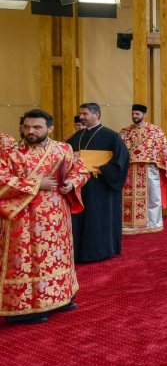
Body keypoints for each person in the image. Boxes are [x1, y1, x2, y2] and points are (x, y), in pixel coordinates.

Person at [0, 110, 89, 324]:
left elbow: (80, 170)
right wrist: (36, 184)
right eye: (27, 127)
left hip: (57, 217)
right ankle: (28, 308)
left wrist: (72, 183)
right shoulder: (10, 153)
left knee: (58, 257)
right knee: (27, 260)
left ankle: (61, 298)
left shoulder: (63, 149)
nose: (30, 131)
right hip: (23, 217)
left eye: (37, 127)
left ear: (50, 129)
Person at [68, 102, 130, 263]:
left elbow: (122, 159)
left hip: (101, 185)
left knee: (98, 218)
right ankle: (80, 251)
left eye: (85, 114)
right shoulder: (76, 136)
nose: (81, 117)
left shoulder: (111, 136)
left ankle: (100, 251)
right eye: (80, 114)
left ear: (97, 115)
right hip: (81, 184)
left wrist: (104, 169)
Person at [118, 104, 167, 234]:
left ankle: (153, 223)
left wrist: (160, 163)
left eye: (137, 114)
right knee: (128, 198)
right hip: (130, 170)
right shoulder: (125, 132)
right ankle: (130, 225)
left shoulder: (156, 131)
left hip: (150, 168)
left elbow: (164, 150)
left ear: (144, 115)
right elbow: (119, 151)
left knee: (153, 195)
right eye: (133, 114)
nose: (134, 116)